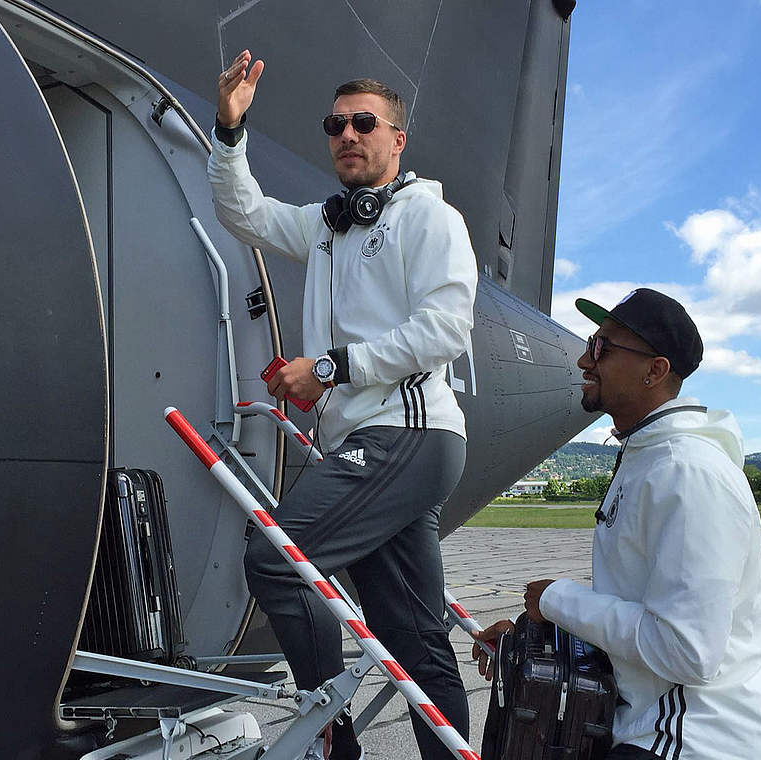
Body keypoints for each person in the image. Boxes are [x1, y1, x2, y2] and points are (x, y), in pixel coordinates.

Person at [208, 51, 477, 760]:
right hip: (376, 440)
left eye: (364, 123)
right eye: (335, 125)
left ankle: (332, 740)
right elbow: (243, 213)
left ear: (398, 139)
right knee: (416, 639)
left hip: (406, 433)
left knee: (276, 559)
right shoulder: (330, 227)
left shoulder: (429, 217)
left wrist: (327, 369)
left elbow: (446, 329)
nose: (347, 135)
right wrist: (230, 132)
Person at [473, 289, 761, 760]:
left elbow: (687, 650)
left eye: (603, 347)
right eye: (591, 341)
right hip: (655, 728)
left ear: (654, 371)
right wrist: (536, 640)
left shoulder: (687, 472)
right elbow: (644, 609)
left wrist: (560, 600)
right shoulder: (648, 457)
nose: (584, 358)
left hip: (699, 740)